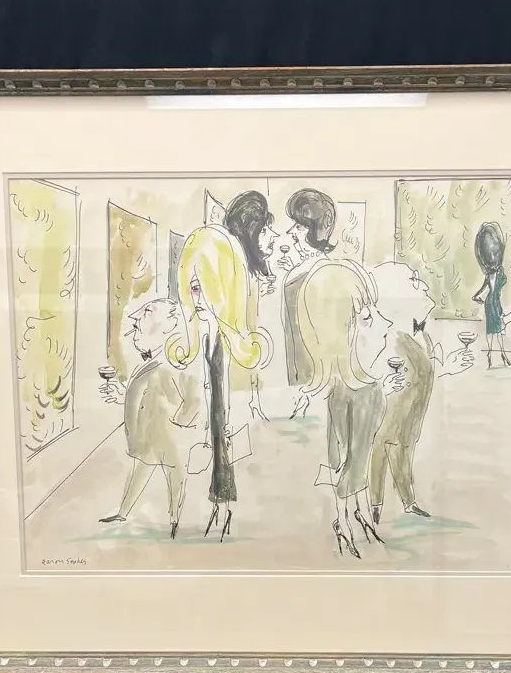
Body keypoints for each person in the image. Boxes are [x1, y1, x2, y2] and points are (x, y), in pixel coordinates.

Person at [167, 192, 275, 540]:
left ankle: (223, 500)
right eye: (192, 287)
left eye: (204, 287)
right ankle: (219, 500)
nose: (197, 297)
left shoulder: (235, 329)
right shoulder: (196, 336)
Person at [296, 259, 405, 558]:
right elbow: (339, 456)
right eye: (366, 317)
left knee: (361, 459)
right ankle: (343, 519)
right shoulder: (341, 390)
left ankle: (360, 513)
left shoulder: (369, 385)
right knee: (348, 461)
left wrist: (386, 386)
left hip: (367, 392)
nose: (384, 324)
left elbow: (368, 438)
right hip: (353, 399)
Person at [366, 262, 474, 525]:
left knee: (405, 447)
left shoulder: (421, 333)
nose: (424, 286)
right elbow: (375, 375)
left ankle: (408, 501)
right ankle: (376, 504)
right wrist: (386, 383)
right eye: (414, 281)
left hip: (414, 408)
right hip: (395, 406)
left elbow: (431, 368)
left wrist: (455, 363)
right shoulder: (390, 338)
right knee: (384, 445)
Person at [97, 298, 201, 538]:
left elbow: (193, 399)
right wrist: (120, 394)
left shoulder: (173, 365)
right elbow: (142, 392)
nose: (136, 322)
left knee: (175, 474)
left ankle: (175, 519)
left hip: (165, 434)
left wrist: (180, 420)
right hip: (147, 434)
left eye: (148, 313)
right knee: (140, 471)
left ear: (168, 325)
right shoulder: (152, 362)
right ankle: (123, 512)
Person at [277, 188, 338, 418]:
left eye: (300, 226)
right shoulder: (300, 270)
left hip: (314, 387)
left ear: (316, 230)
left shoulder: (324, 273)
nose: (291, 232)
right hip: (297, 383)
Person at [472, 222, 511, 368]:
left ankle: (495, 355)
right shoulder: (498, 275)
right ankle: (498, 355)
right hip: (493, 303)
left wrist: (478, 299)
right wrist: (478, 298)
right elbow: (483, 291)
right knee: (496, 330)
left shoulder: (493, 275)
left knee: (495, 330)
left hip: (492, 303)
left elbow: (481, 292)